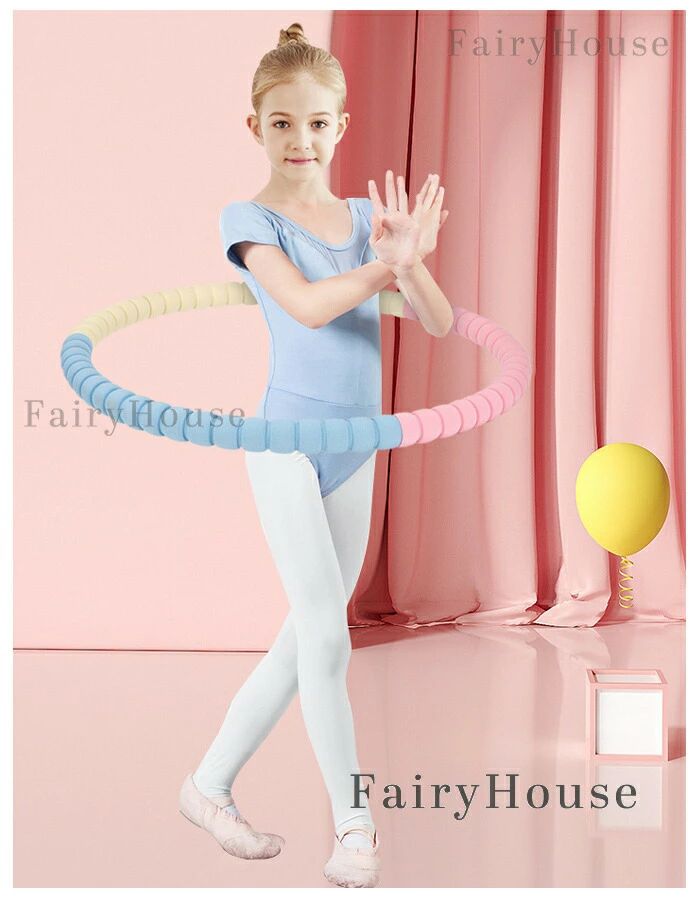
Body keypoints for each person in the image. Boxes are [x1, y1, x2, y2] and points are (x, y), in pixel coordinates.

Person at [178, 22, 452, 888]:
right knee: (328, 636)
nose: (303, 139)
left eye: (319, 123)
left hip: (355, 449)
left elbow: (440, 322)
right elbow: (304, 305)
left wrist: (409, 264)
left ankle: (207, 787)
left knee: (307, 635)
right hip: (286, 445)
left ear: (342, 125)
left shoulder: (370, 219)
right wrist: (383, 270)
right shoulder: (248, 218)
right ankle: (355, 825)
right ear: (254, 126)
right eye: (283, 122)